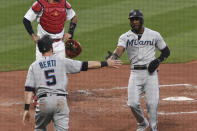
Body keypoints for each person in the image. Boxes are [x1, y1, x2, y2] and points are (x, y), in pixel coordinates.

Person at [22, 35, 122, 131]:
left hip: (43, 103)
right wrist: (106, 63)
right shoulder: (61, 61)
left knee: (39, 129)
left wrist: (26, 109)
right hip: (60, 102)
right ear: (51, 47)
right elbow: (85, 65)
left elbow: (28, 90)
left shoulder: (34, 66)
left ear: (39, 50)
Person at [108, 9, 170, 131]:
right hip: (135, 74)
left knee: (152, 105)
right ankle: (142, 123)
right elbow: (120, 49)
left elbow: (166, 51)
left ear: (141, 20)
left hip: (151, 74)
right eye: (132, 20)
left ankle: (153, 128)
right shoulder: (125, 36)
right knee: (132, 103)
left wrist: (158, 60)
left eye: (136, 19)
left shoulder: (154, 34)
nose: (134, 22)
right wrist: (113, 57)